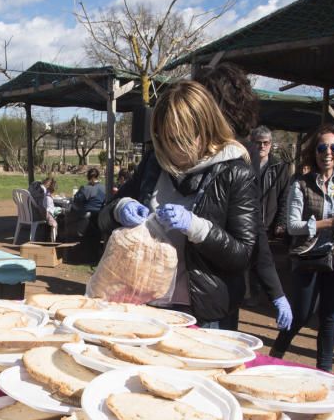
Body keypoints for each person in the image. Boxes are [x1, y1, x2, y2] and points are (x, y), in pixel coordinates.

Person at [98, 80, 258, 327]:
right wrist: (120, 209)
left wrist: (196, 227)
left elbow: (242, 255)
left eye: (184, 139)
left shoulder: (235, 172)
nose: (175, 150)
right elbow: (103, 215)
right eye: (168, 139)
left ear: (206, 128)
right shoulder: (154, 162)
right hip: (145, 302)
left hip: (202, 313)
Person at [193, 64, 292, 332]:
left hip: (217, 295)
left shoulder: (239, 160)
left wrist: (276, 291)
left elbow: (253, 230)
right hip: (176, 296)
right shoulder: (176, 152)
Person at [269, 124, 334, 371]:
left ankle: (324, 371)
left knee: (330, 317)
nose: (328, 152)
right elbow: (292, 226)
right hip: (307, 257)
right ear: (314, 151)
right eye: (322, 147)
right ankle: (276, 354)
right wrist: (329, 222)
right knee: (301, 314)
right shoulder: (301, 184)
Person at [68, 168, 106, 238]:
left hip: (87, 217)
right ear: (98, 176)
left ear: (88, 177)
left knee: (70, 208)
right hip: (101, 216)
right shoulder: (105, 188)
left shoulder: (85, 188)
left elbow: (77, 200)